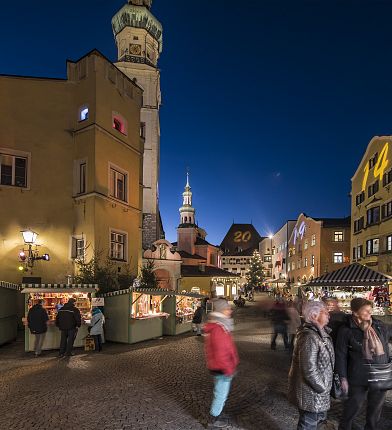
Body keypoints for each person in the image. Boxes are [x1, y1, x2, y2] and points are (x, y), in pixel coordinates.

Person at [335, 298, 391, 430]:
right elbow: (341, 355)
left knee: (375, 412)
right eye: (366, 309)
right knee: (352, 409)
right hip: (358, 376)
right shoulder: (346, 330)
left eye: (370, 309)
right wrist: (342, 377)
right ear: (355, 312)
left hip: (380, 373)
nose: (369, 311)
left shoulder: (378, 325)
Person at [288, 301, 334, 430]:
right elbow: (309, 369)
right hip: (312, 392)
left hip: (318, 392)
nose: (328, 315)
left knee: (318, 422)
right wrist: (322, 387)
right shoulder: (309, 337)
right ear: (314, 316)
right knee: (308, 424)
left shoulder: (320, 333)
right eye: (325, 312)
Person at [204, 298, 239, 428]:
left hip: (221, 366)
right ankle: (213, 420)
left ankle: (216, 413)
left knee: (220, 392)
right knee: (220, 394)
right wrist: (229, 368)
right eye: (227, 308)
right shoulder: (219, 328)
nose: (230, 310)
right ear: (221, 310)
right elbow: (220, 352)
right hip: (222, 367)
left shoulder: (221, 325)